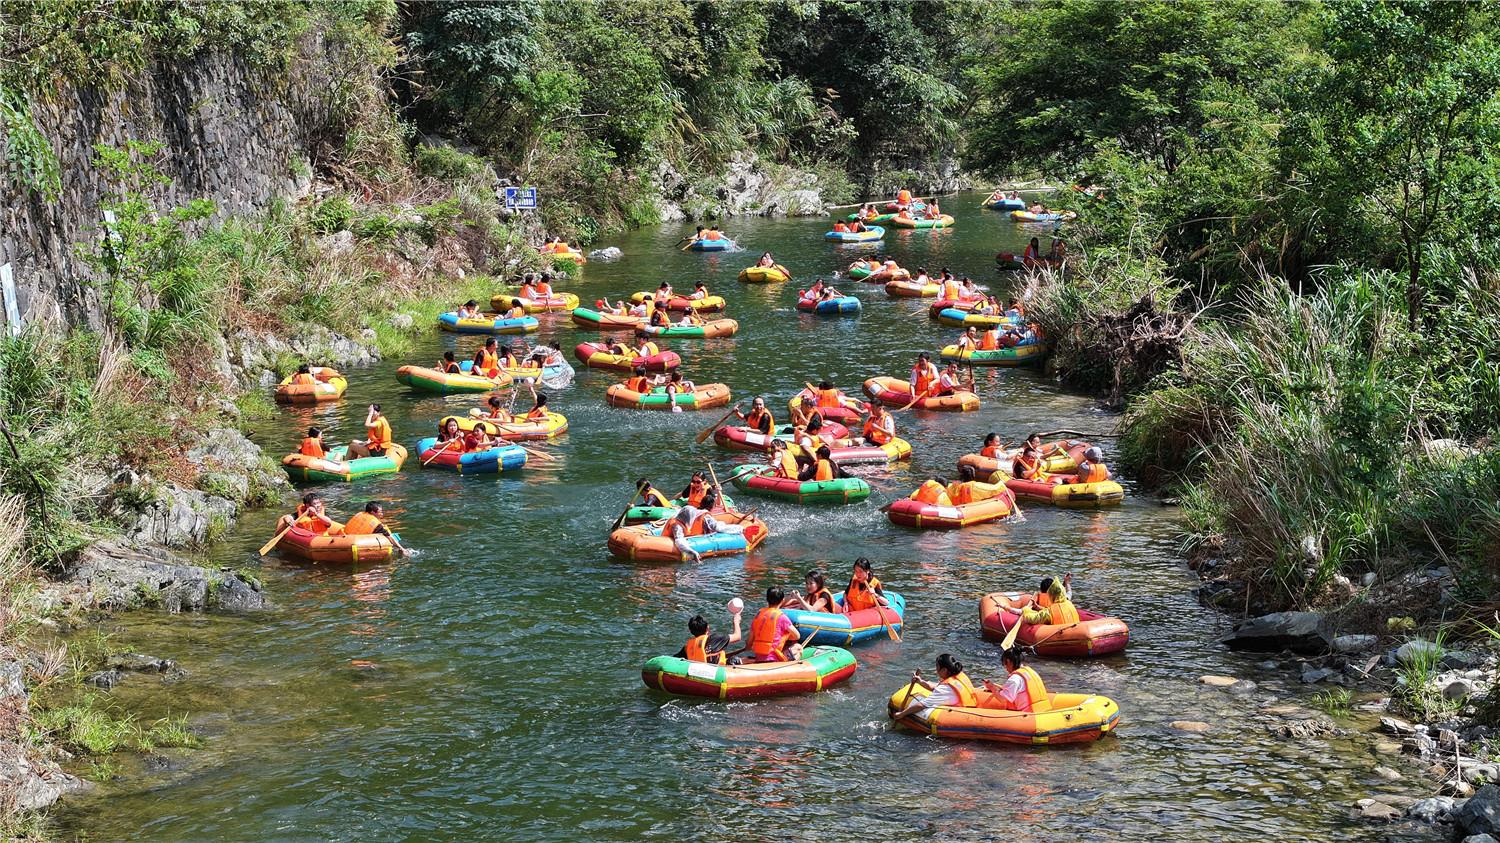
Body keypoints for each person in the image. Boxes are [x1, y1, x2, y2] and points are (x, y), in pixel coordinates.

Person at [889, 653, 978, 720]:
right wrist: (920, 682)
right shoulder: (957, 677)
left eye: (937, 667)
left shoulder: (945, 689)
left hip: (961, 716)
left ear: (944, 670)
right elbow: (935, 687)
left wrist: (902, 714)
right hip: (971, 706)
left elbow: (921, 705)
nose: (936, 670)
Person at [667, 490, 747, 563]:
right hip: (667, 544)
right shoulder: (677, 526)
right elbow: (679, 542)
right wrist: (740, 528)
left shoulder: (685, 518)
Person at [981, 646, 1052, 713]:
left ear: (1008, 661)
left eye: (1004, 664)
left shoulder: (1014, 679)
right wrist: (994, 686)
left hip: (1028, 715)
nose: (1005, 668)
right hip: (1042, 710)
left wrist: (992, 688)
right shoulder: (1030, 672)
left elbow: (1004, 700)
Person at [749, 586, 800, 662]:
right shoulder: (782, 617)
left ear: (767, 600)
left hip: (758, 656)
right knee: (798, 647)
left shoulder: (759, 614)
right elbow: (797, 636)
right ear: (782, 601)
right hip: (774, 659)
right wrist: (785, 637)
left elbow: (749, 642)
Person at [676, 610, 744, 666]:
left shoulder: (687, 648)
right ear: (707, 628)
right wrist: (736, 622)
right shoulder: (716, 639)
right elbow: (737, 636)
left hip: (697, 674)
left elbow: (675, 659)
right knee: (735, 659)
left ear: (690, 631)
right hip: (717, 675)